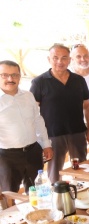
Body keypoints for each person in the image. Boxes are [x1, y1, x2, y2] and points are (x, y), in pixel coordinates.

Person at [31, 44, 89, 182]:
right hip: (52, 135)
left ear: (70, 60)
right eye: (55, 58)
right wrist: (39, 138)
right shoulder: (39, 82)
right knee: (54, 173)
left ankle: (82, 193)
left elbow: (87, 106)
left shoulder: (79, 80)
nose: (60, 61)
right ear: (49, 59)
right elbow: (32, 112)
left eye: (64, 58)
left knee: (82, 170)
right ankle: (57, 194)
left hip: (77, 133)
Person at [0, 60, 52, 192]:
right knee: (9, 193)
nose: (10, 79)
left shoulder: (28, 96)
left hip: (33, 152)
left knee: (37, 190)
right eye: (4, 75)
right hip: (7, 156)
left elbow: (38, 120)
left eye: (14, 75)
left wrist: (46, 144)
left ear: (19, 77)